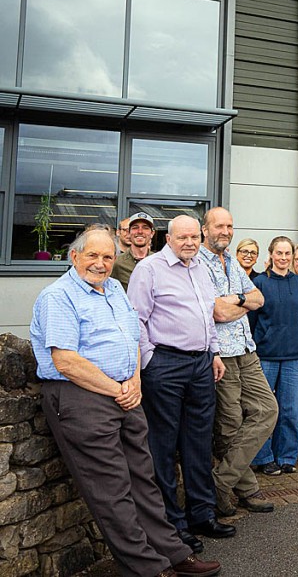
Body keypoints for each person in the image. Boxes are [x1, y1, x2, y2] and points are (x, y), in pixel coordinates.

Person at [30, 229, 222, 577]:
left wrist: (133, 379)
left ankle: (171, 551)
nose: (101, 264)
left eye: (107, 257)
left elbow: (132, 335)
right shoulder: (57, 296)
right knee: (112, 489)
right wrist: (117, 388)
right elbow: (66, 361)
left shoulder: (115, 288)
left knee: (143, 479)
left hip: (124, 391)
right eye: (93, 256)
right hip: (81, 396)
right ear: (75, 257)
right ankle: (146, 568)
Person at [127, 215, 236, 553]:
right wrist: (150, 361)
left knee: (199, 441)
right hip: (166, 365)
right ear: (168, 238)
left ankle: (201, 514)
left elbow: (207, 314)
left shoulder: (199, 267)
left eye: (194, 236)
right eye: (182, 237)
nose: (189, 242)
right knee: (163, 445)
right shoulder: (149, 269)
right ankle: (172, 524)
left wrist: (214, 352)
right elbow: (136, 319)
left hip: (201, 363)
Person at [197, 208, 276, 517]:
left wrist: (237, 300)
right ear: (206, 230)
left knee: (267, 411)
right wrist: (240, 302)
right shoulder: (196, 265)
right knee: (229, 424)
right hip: (221, 354)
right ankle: (247, 489)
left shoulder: (232, 261)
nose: (225, 231)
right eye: (219, 226)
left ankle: (219, 482)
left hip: (246, 348)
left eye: (230, 226)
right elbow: (217, 313)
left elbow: (259, 299)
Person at [250, 236, 298, 475]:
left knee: (290, 410)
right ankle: (264, 457)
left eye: (287, 254)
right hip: (267, 355)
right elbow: (251, 321)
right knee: (265, 410)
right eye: (279, 253)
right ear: (271, 254)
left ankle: (286, 456)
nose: (283, 258)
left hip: (295, 356)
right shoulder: (259, 283)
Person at [111, 212, 155, 290]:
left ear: (152, 233)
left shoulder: (159, 262)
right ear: (129, 232)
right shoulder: (117, 263)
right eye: (135, 227)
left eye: (145, 228)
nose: (140, 231)